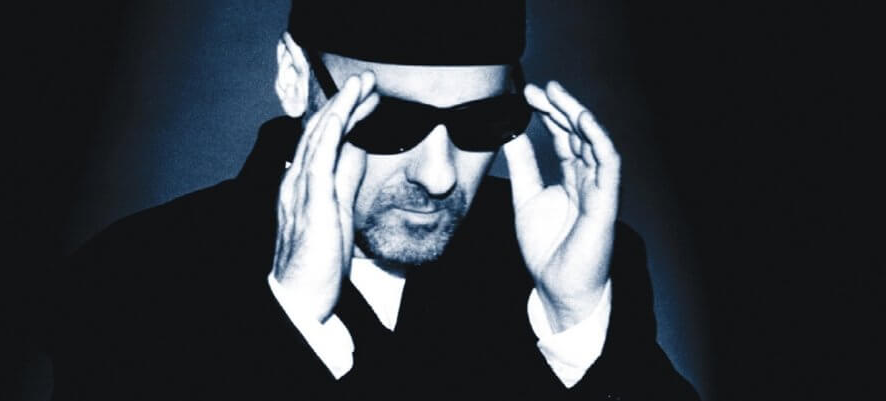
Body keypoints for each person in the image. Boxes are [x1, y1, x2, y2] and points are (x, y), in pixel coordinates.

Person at [48, 1, 699, 399]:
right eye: (390, 123)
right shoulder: (129, 281)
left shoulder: (574, 271)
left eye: (481, 123)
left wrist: (577, 330)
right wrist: (288, 328)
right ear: (295, 77)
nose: (439, 176)